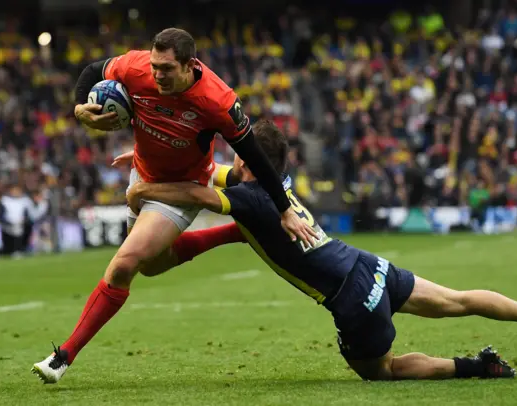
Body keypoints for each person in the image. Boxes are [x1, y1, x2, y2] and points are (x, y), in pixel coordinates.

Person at [125, 119, 517, 381]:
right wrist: (155, 162)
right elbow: (212, 172)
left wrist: (145, 186)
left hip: (351, 298)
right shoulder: (277, 185)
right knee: (457, 300)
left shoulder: (252, 199)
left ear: (247, 161)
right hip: (368, 265)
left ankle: (477, 368)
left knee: (380, 371)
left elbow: (200, 193)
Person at [31, 28, 317, 384]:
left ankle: (62, 357)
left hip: (182, 188)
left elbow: (255, 158)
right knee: (150, 267)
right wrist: (79, 110)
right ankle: (233, 233)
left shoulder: (217, 100)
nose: (157, 75)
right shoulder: (136, 67)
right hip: (142, 173)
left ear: (190, 66)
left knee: (123, 266)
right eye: (155, 66)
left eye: (166, 68)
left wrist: (284, 209)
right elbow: (92, 71)